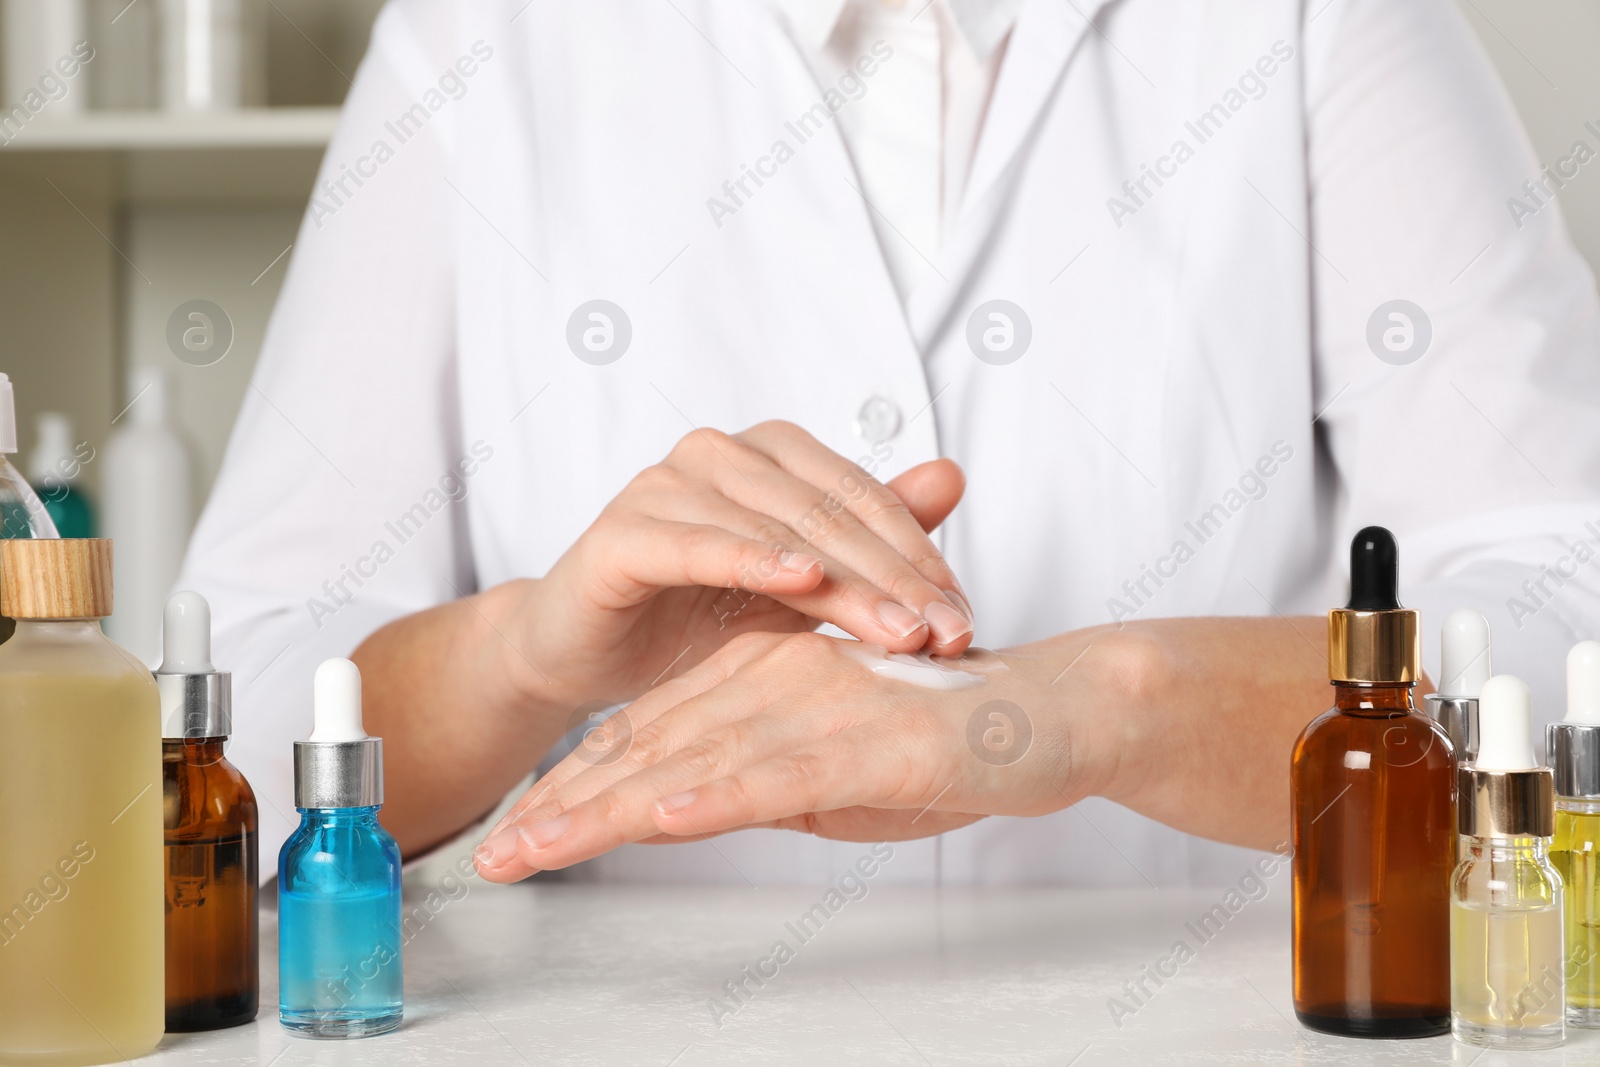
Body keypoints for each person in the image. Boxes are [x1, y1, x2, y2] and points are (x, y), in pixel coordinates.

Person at [178, 0, 1600, 887]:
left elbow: (1568, 600)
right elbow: (219, 708)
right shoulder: (482, 39)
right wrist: (528, 656)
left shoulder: (1307, 21)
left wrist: (1109, 701)